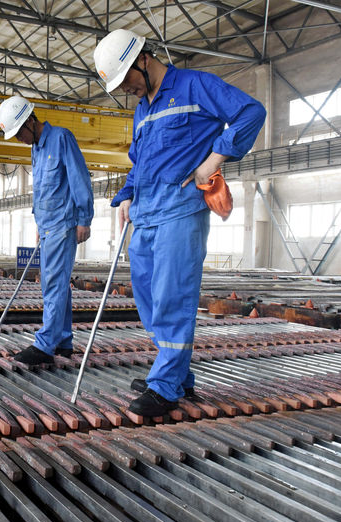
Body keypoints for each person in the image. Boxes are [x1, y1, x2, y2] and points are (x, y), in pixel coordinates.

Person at [93, 29, 266, 416]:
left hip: (180, 210)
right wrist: (126, 195)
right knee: (148, 296)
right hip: (146, 213)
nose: (125, 90)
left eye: (126, 81)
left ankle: (166, 386)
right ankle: (176, 372)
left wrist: (215, 157)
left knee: (173, 296)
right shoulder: (142, 109)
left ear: (142, 60)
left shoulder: (195, 85)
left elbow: (252, 112)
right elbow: (141, 161)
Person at [0, 95, 94, 365]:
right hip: (48, 226)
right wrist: (38, 225)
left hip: (64, 224)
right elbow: (41, 190)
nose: (19, 140)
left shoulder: (61, 138)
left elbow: (79, 178)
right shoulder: (36, 148)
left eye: (19, 133)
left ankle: (45, 345)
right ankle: (63, 341)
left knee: (53, 283)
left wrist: (84, 218)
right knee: (59, 283)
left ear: (30, 120)